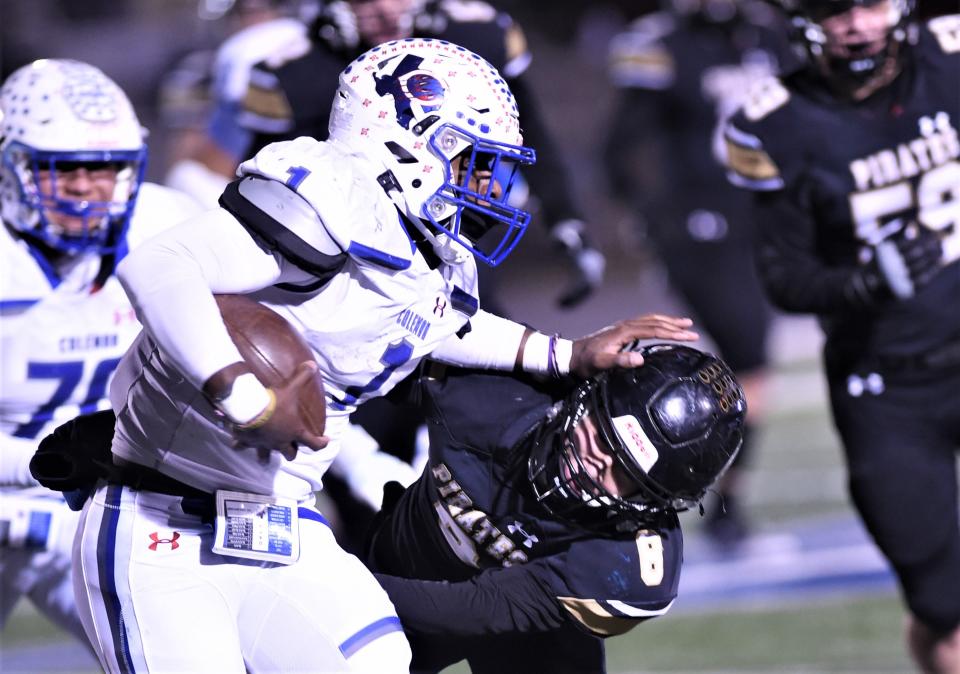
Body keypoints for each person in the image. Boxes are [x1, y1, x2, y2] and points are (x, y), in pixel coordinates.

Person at [63, 40, 698, 673]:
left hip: (280, 524)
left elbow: (438, 325)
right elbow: (160, 267)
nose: (491, 184)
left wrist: (567, 353)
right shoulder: (332, 197)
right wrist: (245, 397)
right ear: (408, 142)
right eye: (474, 159)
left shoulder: (426, 255)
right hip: (158, 526)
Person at [722, 1, 960, 670]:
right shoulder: (777, 121)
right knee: (943, 606)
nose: (857, 24)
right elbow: (785, 278)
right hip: (887, 386)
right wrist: (859, 285)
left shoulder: (951, 58)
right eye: (835, 9)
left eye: (871, 3)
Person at [365, 343, 747, 673]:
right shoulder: (499, 391)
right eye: (603, 436)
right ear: (590, 395)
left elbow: (478, 607)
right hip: (407, 556)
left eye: (624, 471)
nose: (597, 462)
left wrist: (346, 583)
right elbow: (356, 363)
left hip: (521, 631)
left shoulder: (628, 564)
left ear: (651, 501)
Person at [0, 59, 201, 645]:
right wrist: (33, 480)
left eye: (106, 168)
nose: (89, 187)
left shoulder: (166, 226)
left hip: (93, 498)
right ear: (13, 167)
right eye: (65, 170)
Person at [239, 0, 606, 310]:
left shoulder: (472, 37)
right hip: (353, 241)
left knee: (469, 320)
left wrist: (566, 217)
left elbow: (526, 131)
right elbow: (270, 177)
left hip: (452, 221)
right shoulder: (295, 71)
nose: (385, 10)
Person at [603, 0, 793, 545]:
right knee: (746, 359)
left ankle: (717, 495)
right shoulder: (661, 42)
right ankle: (701, 495)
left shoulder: (766, 34)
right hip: (700, 224)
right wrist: (655, 218)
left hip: (763, 221)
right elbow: (621, 145)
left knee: (747, 369)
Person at [163, 0, 309, 206]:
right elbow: (187, 147)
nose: (255, 19)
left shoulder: (299, 48)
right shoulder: (198, 72)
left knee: (183, 177)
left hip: (285, 191)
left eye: (262, 10)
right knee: (184, 174)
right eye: (244, 12)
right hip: (257, 188)